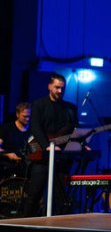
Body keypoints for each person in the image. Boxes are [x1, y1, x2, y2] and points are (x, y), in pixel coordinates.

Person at [25, 73, 78, 217]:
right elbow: (35, 127)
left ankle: (57, 225)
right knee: (35, 193)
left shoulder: (70, 108)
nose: (60, 91)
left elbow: (74, 131)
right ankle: (23, 223)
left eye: (62, 88)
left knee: (59, 195)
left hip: (61, 157)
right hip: (42, 156)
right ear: (49, 87)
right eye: (57, 88)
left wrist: (81, 144)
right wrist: (46, 145)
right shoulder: (39, 104)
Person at [0, 103, 31, 177]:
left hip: (27, 167)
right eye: (25, 116)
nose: (28, 119)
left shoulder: (33, 130)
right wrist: (8, 154)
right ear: (17, 114)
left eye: (29, 116)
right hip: (7, 166)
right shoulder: (6, 128)